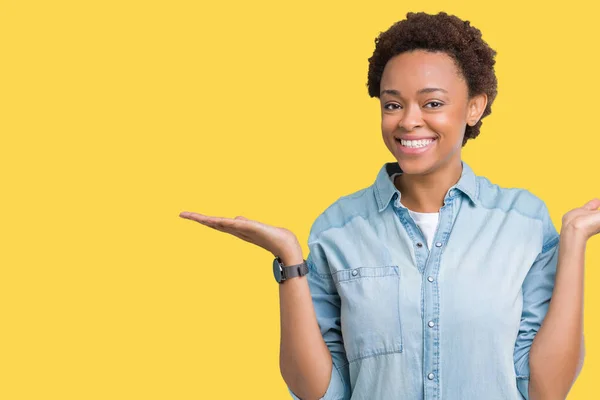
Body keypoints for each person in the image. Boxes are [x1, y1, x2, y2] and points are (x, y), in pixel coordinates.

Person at [180, 11, 598, 400]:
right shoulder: (338, 228)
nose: (408, 120)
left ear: (475, 106)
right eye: (393, 104)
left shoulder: (523, 223)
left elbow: (547, 388)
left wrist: (575, 239)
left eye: (432, 103)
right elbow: (318, 391)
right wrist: (289, 259)